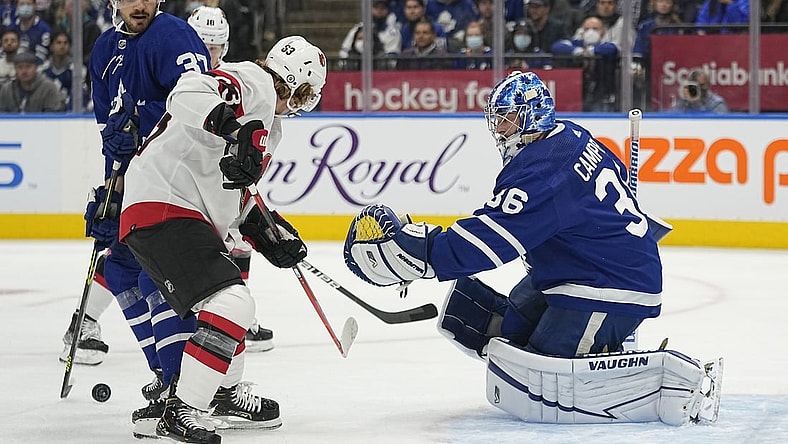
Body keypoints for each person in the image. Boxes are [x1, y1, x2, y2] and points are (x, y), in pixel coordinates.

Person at [343, 70, 722, 426]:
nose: (499, 128)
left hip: (609, 285)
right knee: (506, 329)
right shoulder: (569, 135)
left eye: (508, 118)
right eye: (498, 118)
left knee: (540, 366)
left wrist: (425, 254)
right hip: (580, 268)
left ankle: (656, 383)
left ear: (533, 117)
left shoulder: (545, 169)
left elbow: (493, 240)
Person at [119, 35, 325, 443]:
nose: (301, 106)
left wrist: (267, 230)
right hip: (164, 203)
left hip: (180, 208)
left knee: (232, 302)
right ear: (297, 84)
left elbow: (232, 185)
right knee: (232, 302)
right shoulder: (252, 81)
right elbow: (185, 92)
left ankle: (222, 393)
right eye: (305, 96)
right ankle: (182, 408)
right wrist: (233, 127)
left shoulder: (270, 122)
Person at [82, 0, 211, 434]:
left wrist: (143, 123)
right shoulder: (104, 50)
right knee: (119, 271)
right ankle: (167, 378)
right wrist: (110, 192)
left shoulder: (173, 36)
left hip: (174, 177)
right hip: (134, 181)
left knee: (154, 276)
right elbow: (111, 130)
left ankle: (183, 386)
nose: (140, 4)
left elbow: (200, 107)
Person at [187, 3, 276, 351]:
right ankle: (85, 320)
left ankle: (236, 318)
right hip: (171, 182)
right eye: (202, 45)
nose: (209, 53)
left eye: (215, 46)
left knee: (238, 240)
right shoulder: (180, 77)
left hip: (212, 187)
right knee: (123, 252)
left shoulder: (233, 84)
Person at [552, 16, 619, 111]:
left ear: (603, 31)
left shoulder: (605, 44)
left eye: (595, 29)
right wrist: (578, 51)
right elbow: (557, 46)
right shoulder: (577, 43)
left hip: (601, 96)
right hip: (577, 95)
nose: (590, 32)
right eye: (587, 29)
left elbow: (612, 49)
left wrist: (590, 51)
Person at [0, 50, 65, 112]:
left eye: (28, 67)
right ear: (15, 69)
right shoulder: (7, 89)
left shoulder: (49, 88)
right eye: (20, 67)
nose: (24, 71)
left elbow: (53, 116)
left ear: (36, 68)